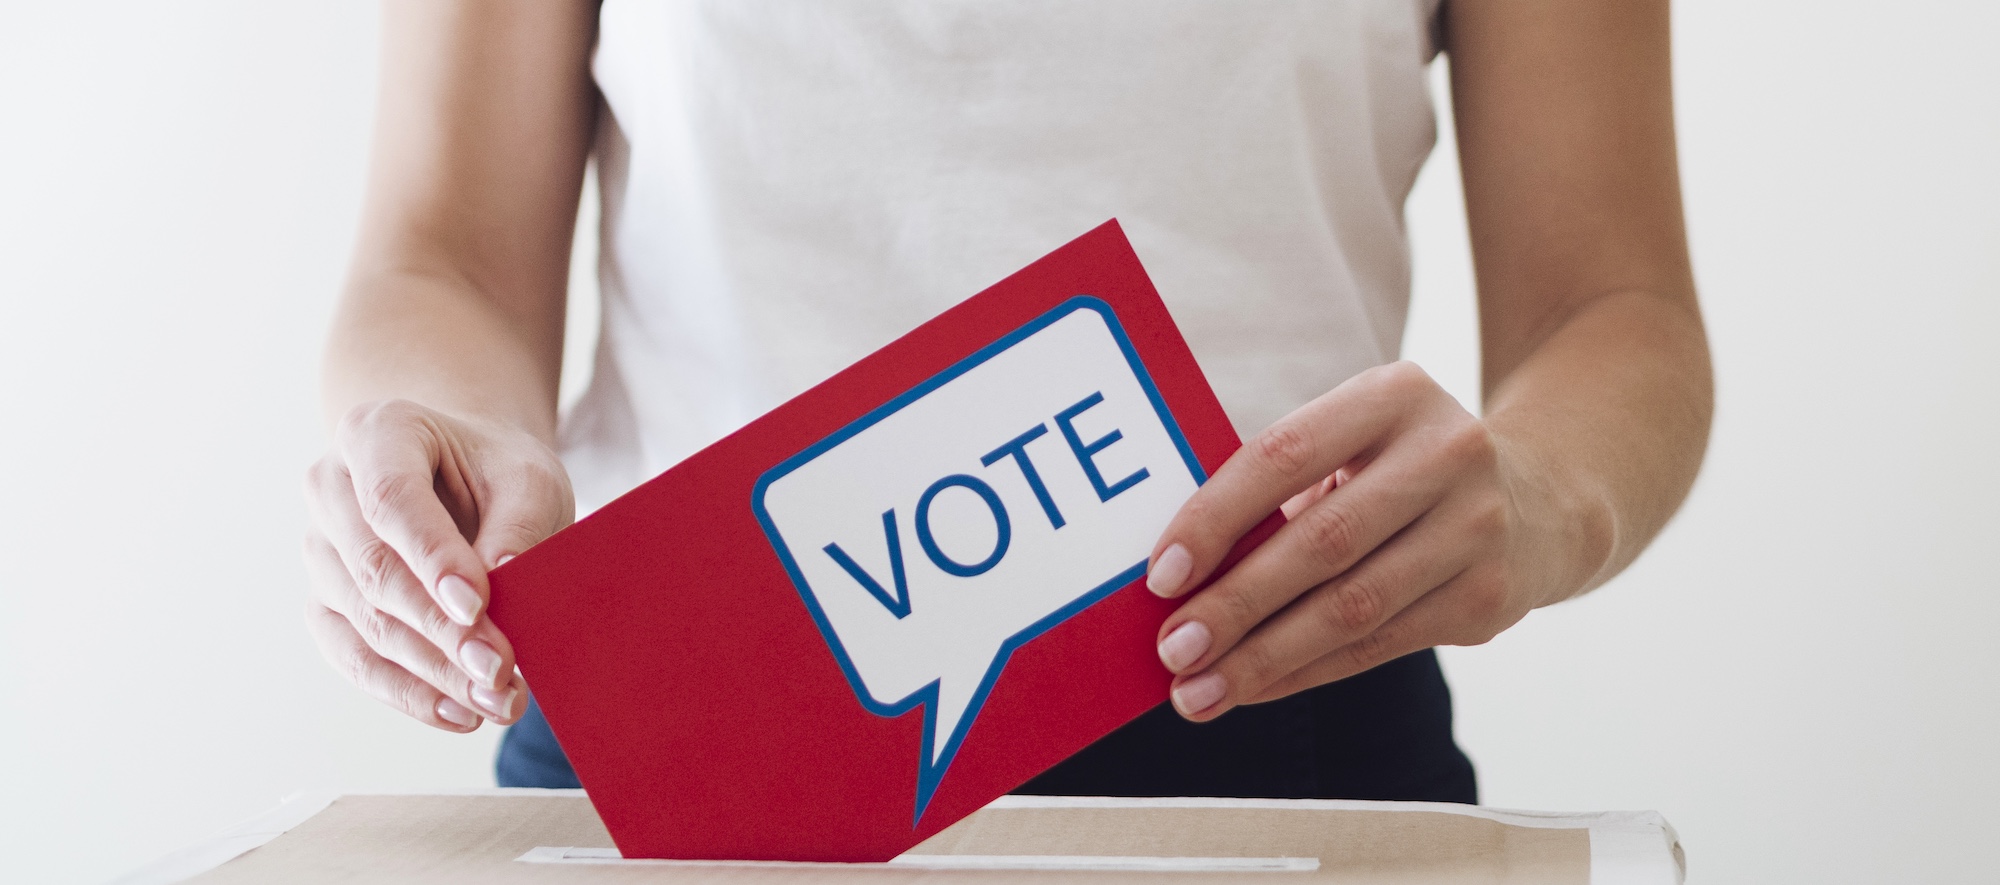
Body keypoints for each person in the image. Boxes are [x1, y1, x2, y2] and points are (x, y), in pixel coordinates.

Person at [302, 0, 1710, 803]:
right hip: (686, 735)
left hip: (1282, 714)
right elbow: (445, 257)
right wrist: (436, 447)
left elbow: (1613, 306)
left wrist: (1536, 491)